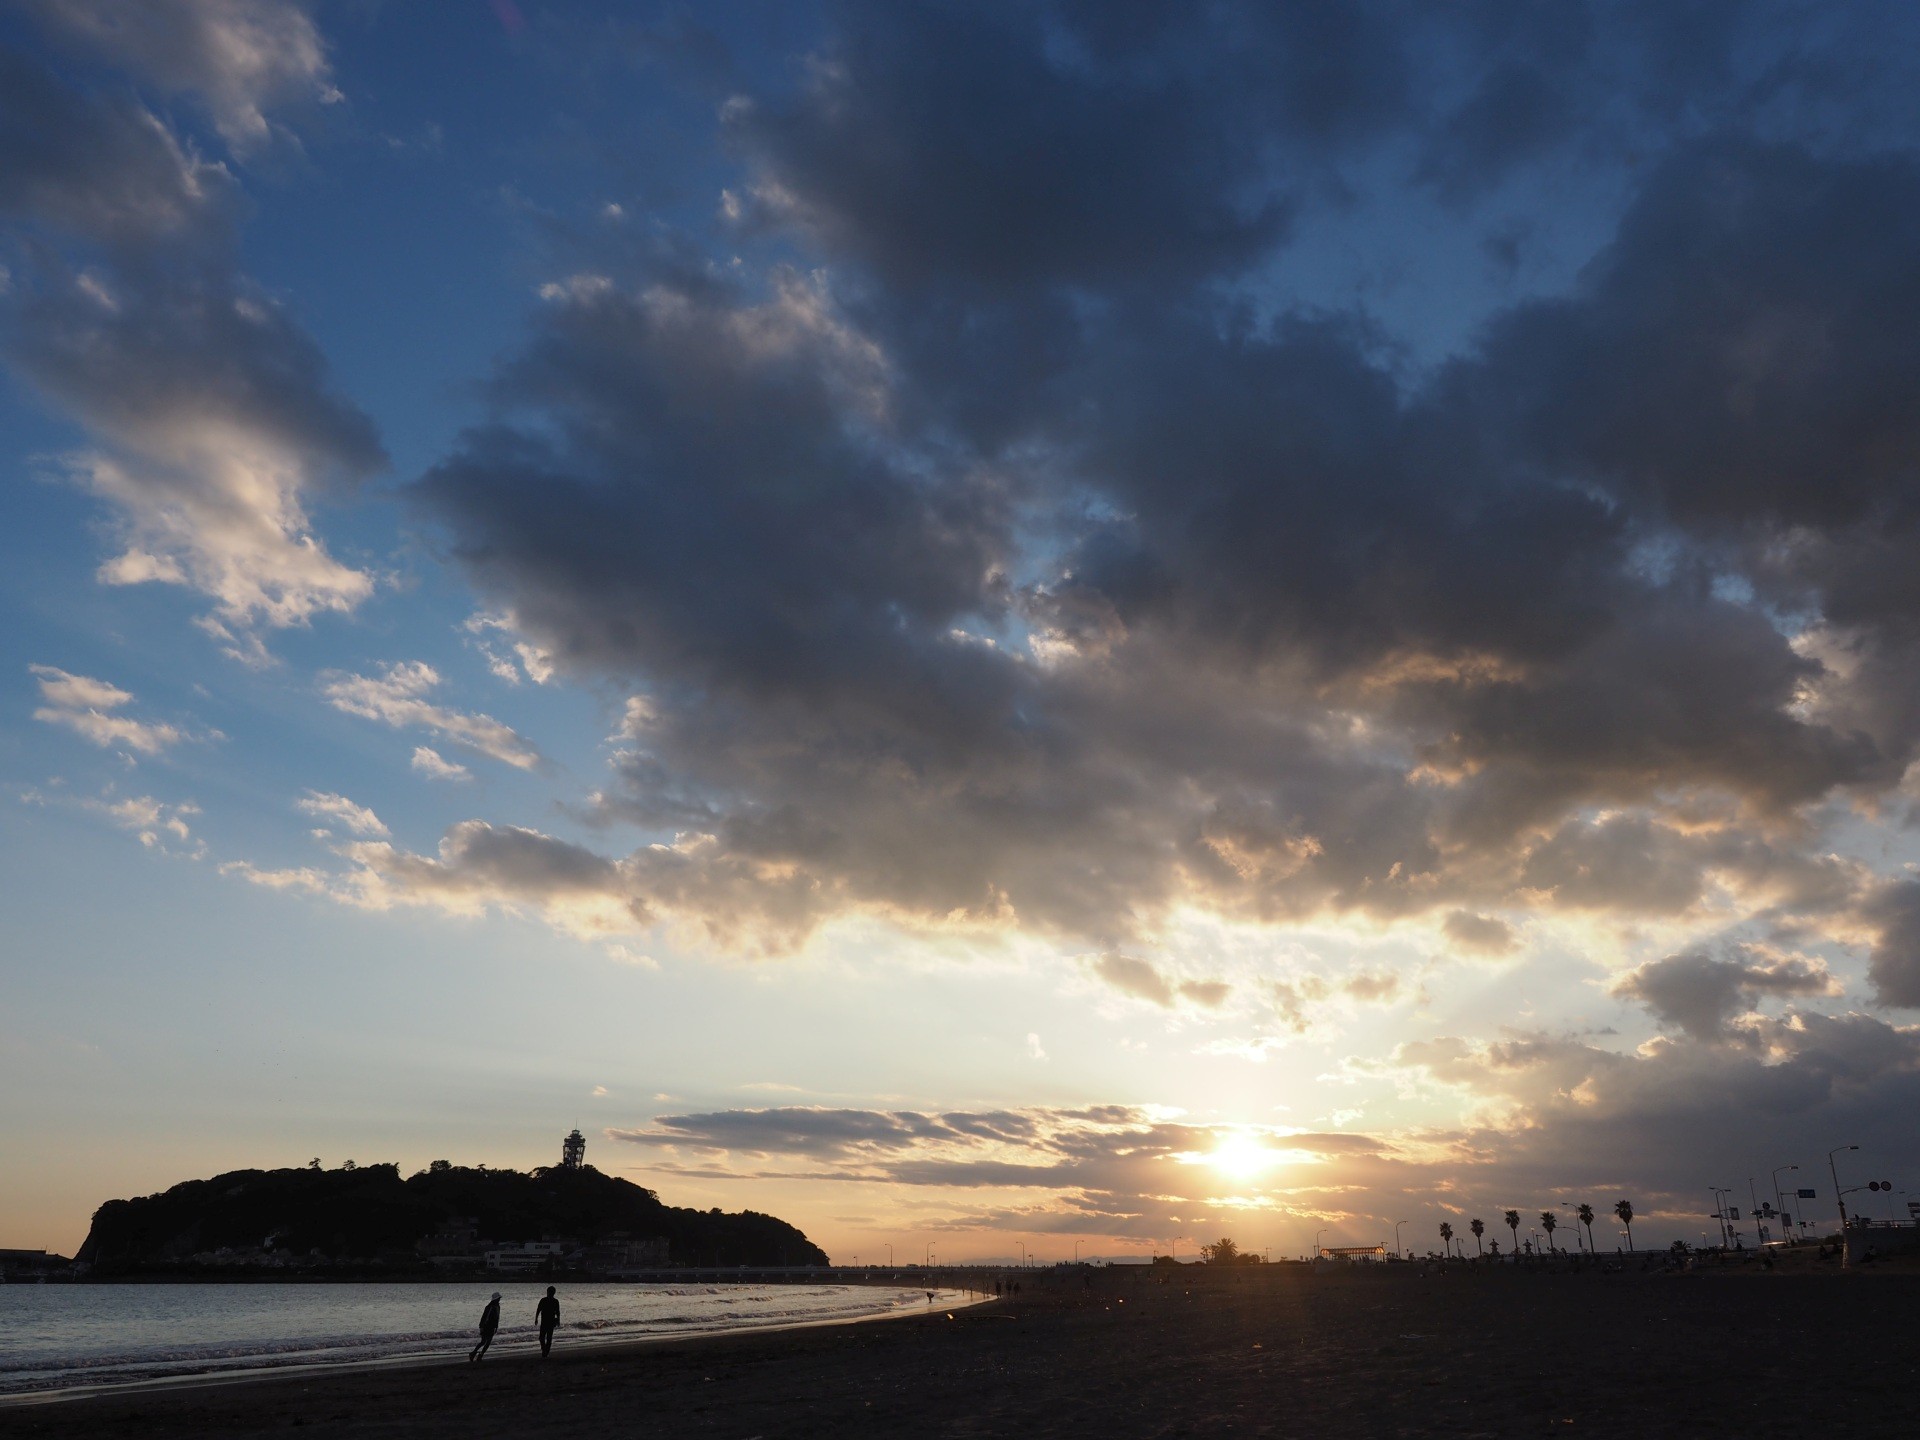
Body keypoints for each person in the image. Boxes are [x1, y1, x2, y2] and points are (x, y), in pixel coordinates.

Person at [470, 1292, 502, 1362]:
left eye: (499, 1298)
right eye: (498, 1298)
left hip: (492, 1327)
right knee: (483, 1342)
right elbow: (484, 1317)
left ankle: (480, 1355)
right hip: (486, 1326)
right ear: (495, 1299)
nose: (499, 1300)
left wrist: (496, 1327)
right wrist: (481, 1327)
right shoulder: (489, 1307)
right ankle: (474, 1353)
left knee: (488, 1342)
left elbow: (497, 1318)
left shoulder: (498, 1307)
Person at [535, 1285, 561, 1358]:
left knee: (548, 1338)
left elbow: (558, 1312)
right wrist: (536, 1318)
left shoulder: (554, 1301)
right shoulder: (544, 1300)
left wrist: (558, 1320)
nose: (549, 1293)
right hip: (545, 1321)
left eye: (550, 1292)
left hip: (550, 1321)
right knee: (542, 1337)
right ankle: (545, 1350)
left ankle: (546, 1352)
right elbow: (538, 1309)